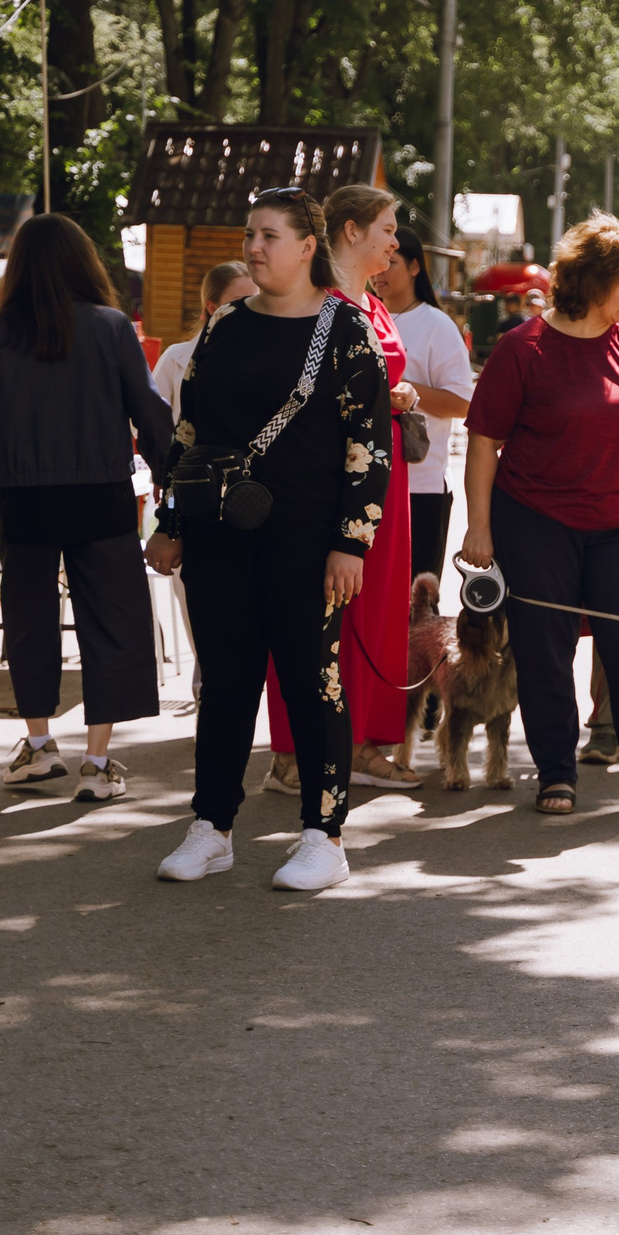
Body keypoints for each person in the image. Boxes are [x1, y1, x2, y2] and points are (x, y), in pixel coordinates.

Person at [146, 187, 393, 891]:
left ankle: (324, 835)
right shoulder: (224, 324)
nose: (254, 247)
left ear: (309, 246)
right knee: (224, 680)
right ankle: (212, 826)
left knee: (312, 682)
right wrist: (171, 521)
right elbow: (189, 434)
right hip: (219, 533)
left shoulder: (345, 331)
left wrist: (352, 541)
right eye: (250, 234)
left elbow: (369, 447)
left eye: (270, 236)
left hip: (308, 539)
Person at [460, 213, 619, 817]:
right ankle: (556, 771)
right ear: (591, 280)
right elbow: (484, 441)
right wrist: (478, 526)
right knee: (544, 649)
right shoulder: (521, 348)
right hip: (536, 520)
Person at [0, 213, 176, 802]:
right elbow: (148, 409)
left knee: (30, 620)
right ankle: (97, 761)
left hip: (24, 496)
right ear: (83, 262)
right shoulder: (112, 327)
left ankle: (37, 746)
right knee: (109, 621)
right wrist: (166, 479)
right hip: (99, 493)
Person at [260, 185, 427, 793]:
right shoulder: (317, 299)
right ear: (350, 232)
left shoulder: (376, 302)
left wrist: (399, 396)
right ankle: (291, 753)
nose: (395, 240)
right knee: (311, 609)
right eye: (386, 228)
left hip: (385, 477)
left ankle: (360, 743)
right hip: (327, 472)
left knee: (377, 608)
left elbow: (382, 377)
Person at [372, 237, 474, 581]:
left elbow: (462, 403)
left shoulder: (437, 325)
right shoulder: (361, 317)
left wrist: (412, 392)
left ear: (415, 267)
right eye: (378, 259)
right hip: (364, 483)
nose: (380, 271)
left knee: (415, 608)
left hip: (420, 486)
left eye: (392, 261)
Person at [152, 262, 255, 420]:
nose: (250, 308)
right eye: (240, 301)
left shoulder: (267, 355)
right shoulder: (175, 358)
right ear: (212, 308)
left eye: (256, 300)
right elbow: (148, 420)